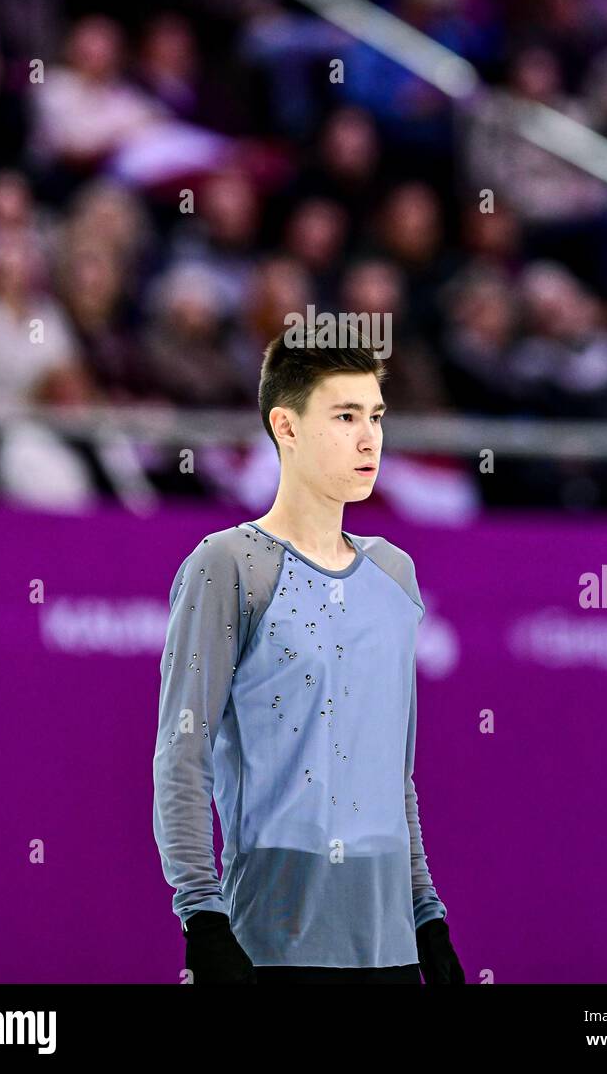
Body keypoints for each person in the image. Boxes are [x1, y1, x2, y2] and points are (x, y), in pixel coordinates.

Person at [152, 327, 464, 984]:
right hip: (272, 937)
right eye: (345, 416)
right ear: (286, 427)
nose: (369, 438)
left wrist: (427, 913)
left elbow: (392, 775)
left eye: (376, 416)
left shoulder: (394, 574)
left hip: (391, 944)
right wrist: (201, 913)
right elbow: (183, 751)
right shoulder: (229, 563)